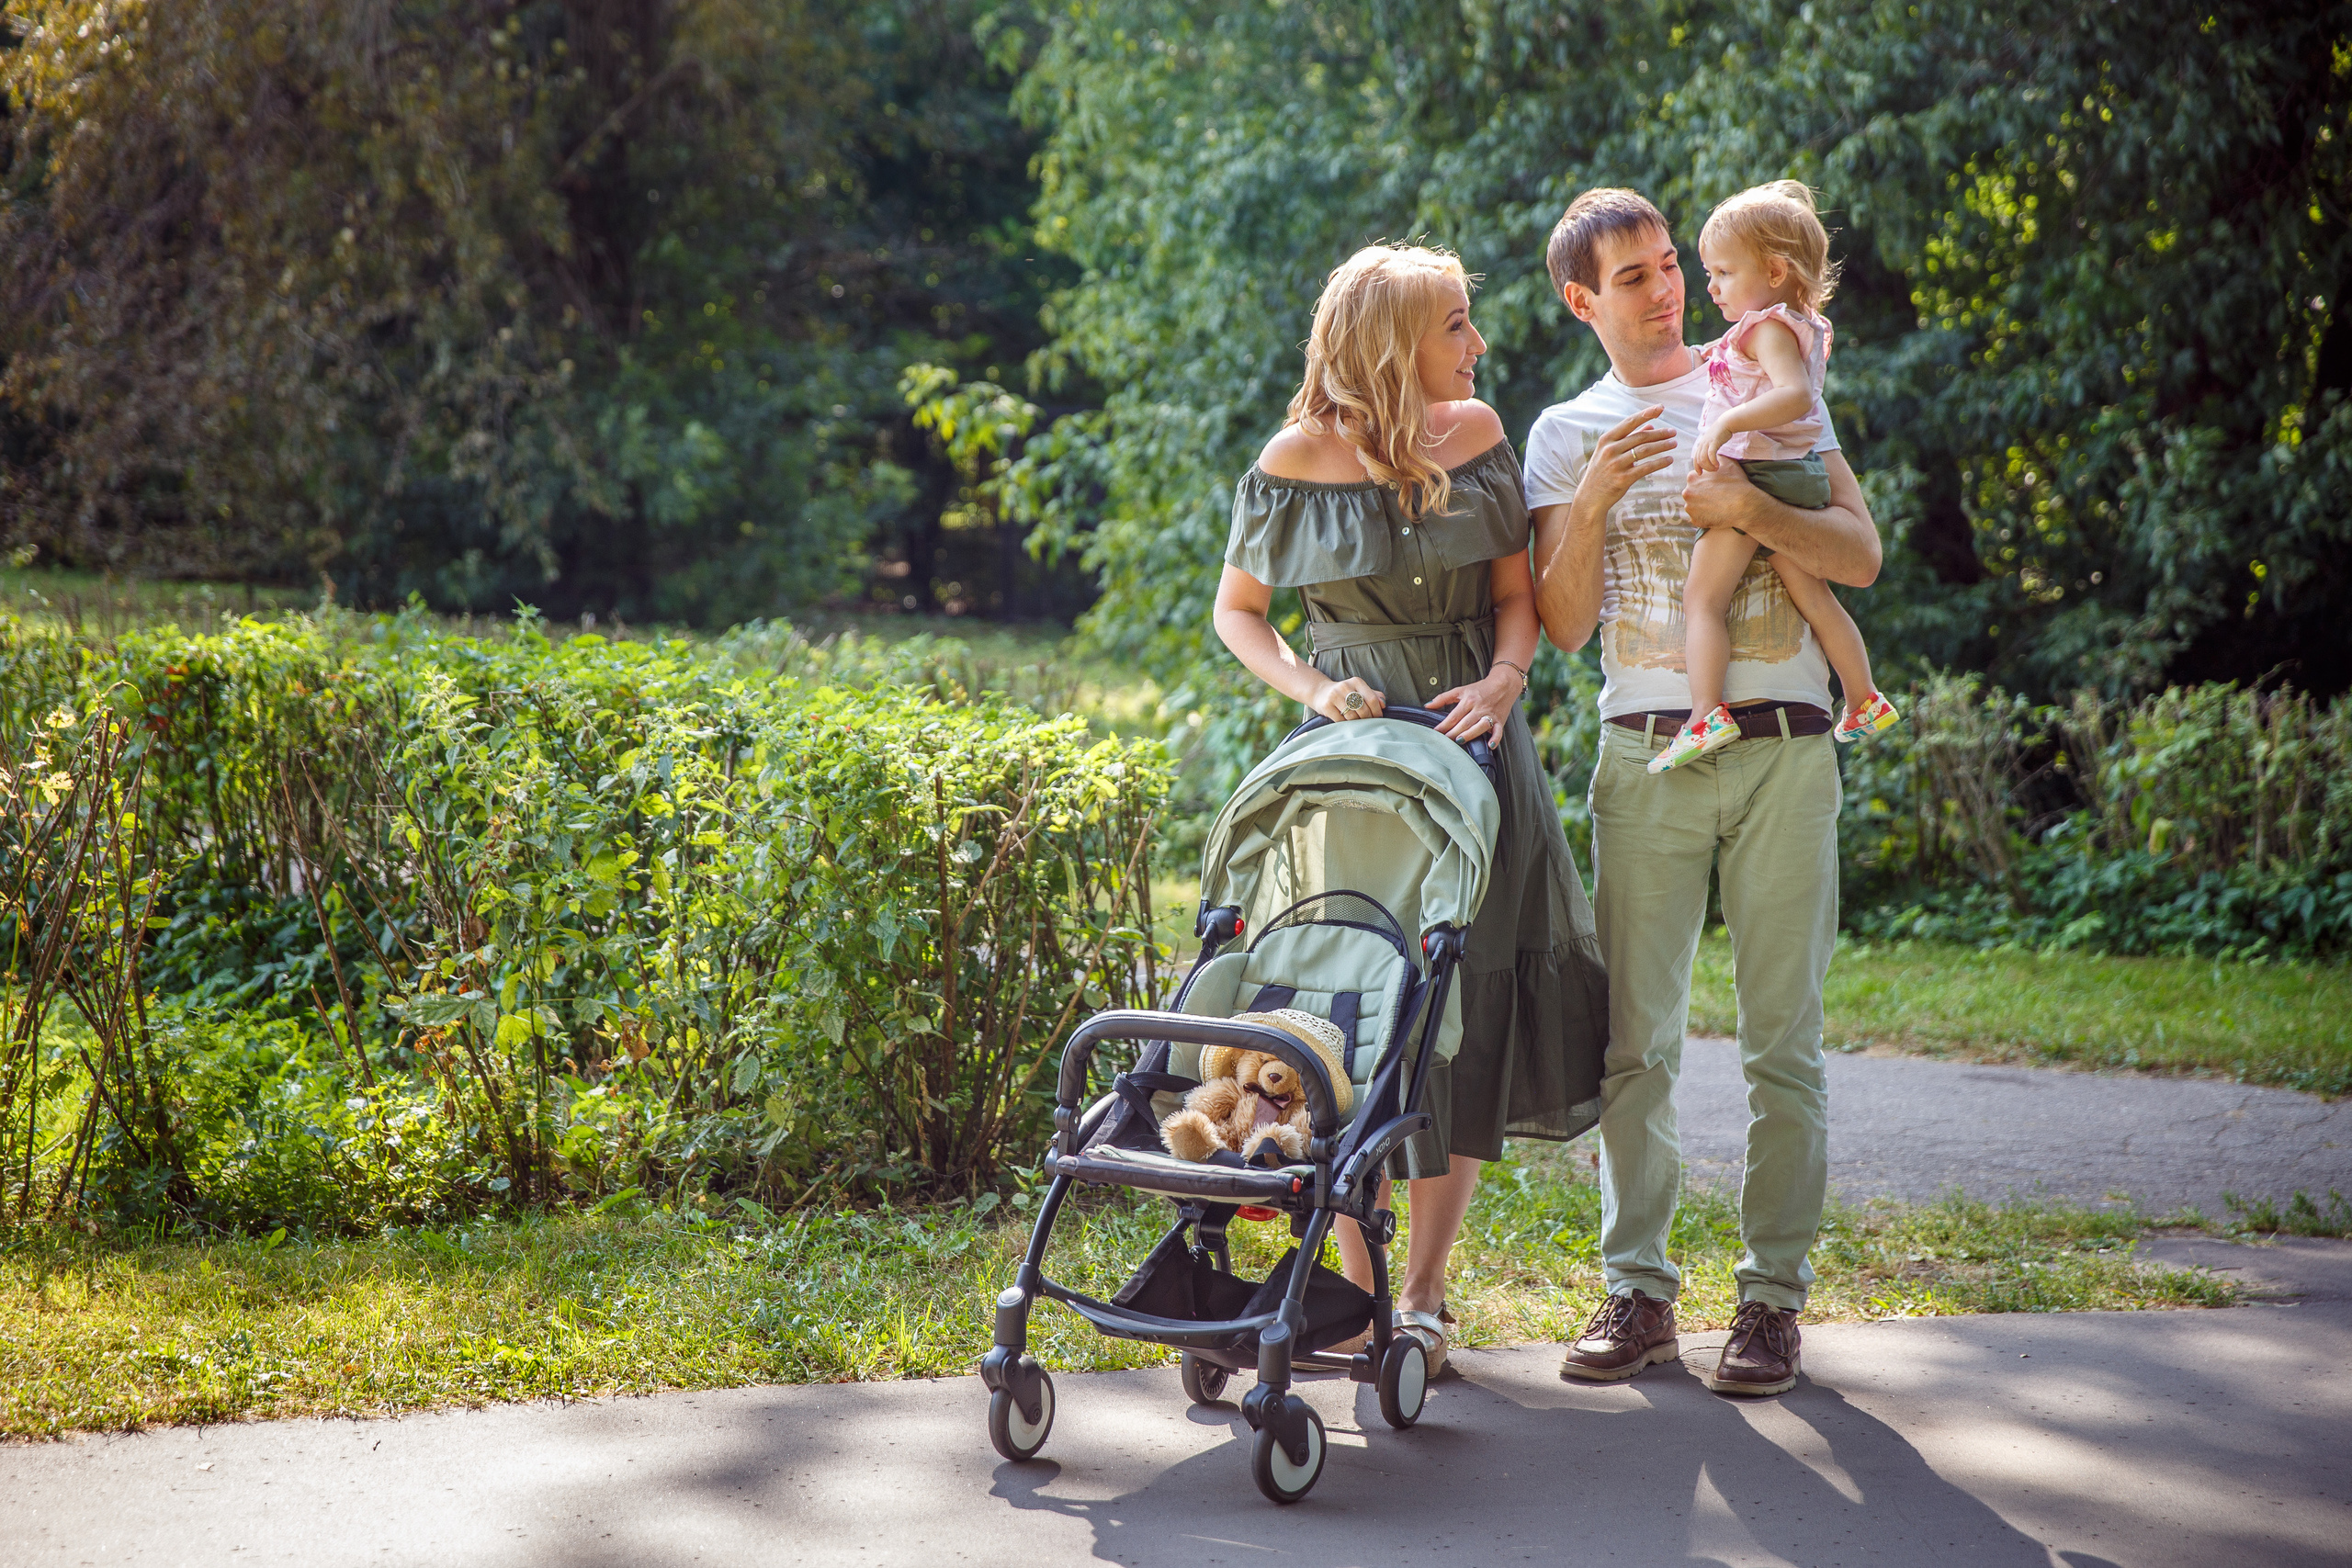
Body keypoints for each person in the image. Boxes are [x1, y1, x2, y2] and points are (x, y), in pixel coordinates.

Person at [1215, 242, 1610, 1376]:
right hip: (1351, 768)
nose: (1477, 346)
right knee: (1351, 1013)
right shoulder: (1294, 457)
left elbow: (1513, 601)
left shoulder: (1478, 439)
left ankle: (1425, 1299)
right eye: (1454, 326)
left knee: (1462, 1014)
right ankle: (1354, 1295)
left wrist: (1502, 681)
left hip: (1472, 759)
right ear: (1393, 343)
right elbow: (1240, 613)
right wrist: (1311, 687)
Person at [1524, 188, 1882, 1396]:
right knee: (1639, 1046)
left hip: (1786, 744)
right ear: (1584, 301)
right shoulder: (1564, 430)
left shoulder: (1752, 371)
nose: (1668, 287)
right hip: (1645, 750)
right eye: (1634, 276)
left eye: (1673, 263)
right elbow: (1565, 624)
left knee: (1787, 1045)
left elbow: (1862, 552)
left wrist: (1747, 503)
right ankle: (1640, 1290)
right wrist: (1588, 504)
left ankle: (1772, 1302)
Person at [1650, 181, 1898, 773]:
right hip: (1793, 475)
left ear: (1776, 269)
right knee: (1811, 594)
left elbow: (1791, 397)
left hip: (1761, 476)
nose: (1709, 286)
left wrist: (1727, 422)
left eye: (1723, 273)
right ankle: (1864, 697)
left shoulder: (1767, 328)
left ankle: (1705, 714)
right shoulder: (1796, 326)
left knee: (1703, 598)